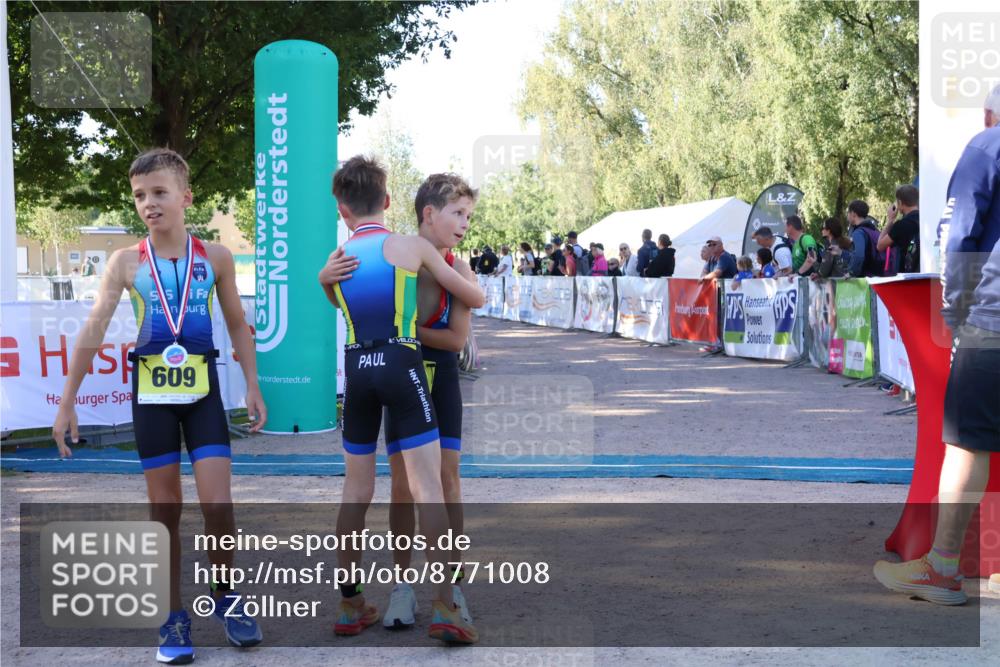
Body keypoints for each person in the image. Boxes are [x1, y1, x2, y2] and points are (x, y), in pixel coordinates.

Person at [52, 148, 268, 664]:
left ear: (185, 197)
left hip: (204, 396)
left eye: (160, 193)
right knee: (164, 512)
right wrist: (67, 403)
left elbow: (238, 323)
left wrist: (253, 385)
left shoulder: (214, 257)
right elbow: (94, 329)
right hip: (151, 397)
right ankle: (172, 618)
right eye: (140, 196)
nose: (149, 204)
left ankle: (226, 597)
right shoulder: (125, 262)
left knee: (219, 506)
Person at [317, 156, 483, 643]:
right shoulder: (408, 247)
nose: (464, 224)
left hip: (359, 369)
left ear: (342, 209)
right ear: (391, 203)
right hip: (401, 366)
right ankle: (443, 605)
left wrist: (323, 280)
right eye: (459, 214)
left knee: (357, 492)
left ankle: (350, 605)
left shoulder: (341, 256)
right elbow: (472, 299)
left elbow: (341, 306)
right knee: (423, 487)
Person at [874, 84, 1000, 606]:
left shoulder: (986, 146)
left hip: (992, 318)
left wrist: (953, 311)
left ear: (991, 111)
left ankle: (942, 568)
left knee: (967, 441)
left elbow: (961, 232)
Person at [383, 174, 478, 630]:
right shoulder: (394, 258)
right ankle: (403, 586)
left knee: (448, 481)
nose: (464, 223)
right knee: (401, 486)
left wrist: (403, 331)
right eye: (457, 213)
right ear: (428, 213)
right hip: (400, 380)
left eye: (468, 216)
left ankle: (451, 583)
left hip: (441, 381)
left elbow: (457, 339)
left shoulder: (460, 271)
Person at [877, 184, 920, 274]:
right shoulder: (925, 220)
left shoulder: (901, 225)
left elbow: (880, 246)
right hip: (926, 274)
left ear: (900, 203)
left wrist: (890, 220)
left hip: (907, 276)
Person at [846, 200, 884, 278]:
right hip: (877, 275)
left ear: (853, 214)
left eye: (848, 213)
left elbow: (859, 255)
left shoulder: (858, 233)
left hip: (865, 279)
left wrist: (851, 273)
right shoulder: (874, 230)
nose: (847, 215)